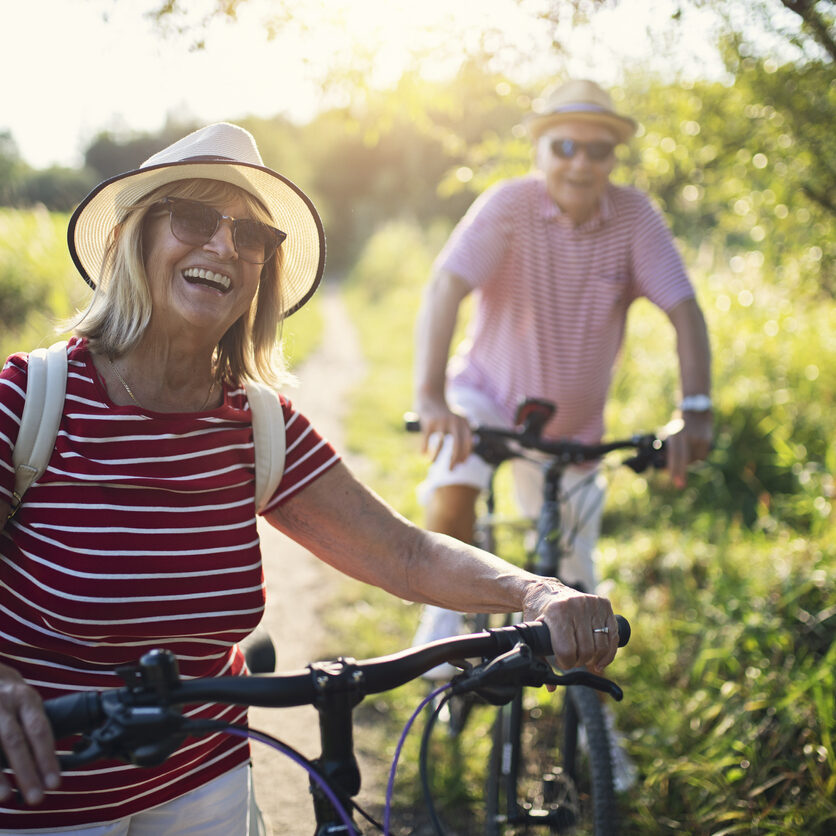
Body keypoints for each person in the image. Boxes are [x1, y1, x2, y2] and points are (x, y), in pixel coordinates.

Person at [0, 122, 621, 833]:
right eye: (195, 219)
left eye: (252, 237)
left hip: (209, 779)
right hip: (46, 791)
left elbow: (406, 554)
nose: (224, 247)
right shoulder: (33, 399)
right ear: (136, 239)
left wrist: (538, 592)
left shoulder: (257, 424)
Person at [410, 79, 713, 786]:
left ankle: (596, 732)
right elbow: (445, 286)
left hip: (577, 428)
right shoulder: (510, 206)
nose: (581, 161)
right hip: (485, 395)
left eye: (598, 148)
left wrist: (695, 408)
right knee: (455, 482)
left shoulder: (635, 216)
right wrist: (430, 397)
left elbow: (685, 311)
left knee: (575, 576)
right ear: (541, 146)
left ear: (615, 156)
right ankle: (439, 626)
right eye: (565, 145)